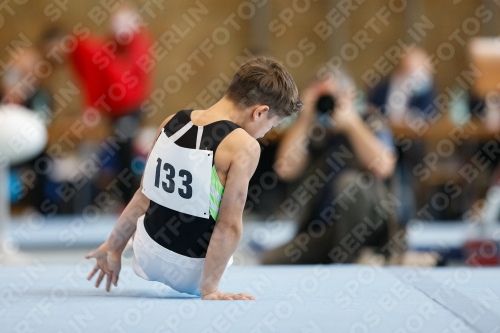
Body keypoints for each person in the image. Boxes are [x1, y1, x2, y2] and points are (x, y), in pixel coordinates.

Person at [84, 57, 303, 300]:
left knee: (153, 195)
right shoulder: (244, 146)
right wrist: (209, 288)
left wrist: (113, 248)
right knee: (227, 219)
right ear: (260, 112)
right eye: (271, 125)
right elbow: (229, 225)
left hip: (144, 252)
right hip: (192, 274)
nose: (265, 133)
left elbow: (142, 197)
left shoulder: (172, 122)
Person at [262, 70, 401, 265]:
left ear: (349, 95)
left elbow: (384, 166)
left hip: (369, 231)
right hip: (325, 231)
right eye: (321, 98)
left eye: (331, 97)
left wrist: (352, 125)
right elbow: (285, 169)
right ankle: (341, 259)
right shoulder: (314, 130)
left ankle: (356, 258)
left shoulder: (369, 120)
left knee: (349, 184)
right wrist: (304, 119)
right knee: (271, 260)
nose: (327, 104)